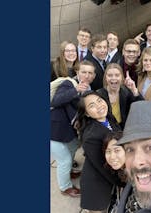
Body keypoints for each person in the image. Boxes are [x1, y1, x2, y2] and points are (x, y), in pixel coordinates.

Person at [51, 62, 95, 198]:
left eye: (90, 73)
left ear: (94, 76)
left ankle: (68, 171)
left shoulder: (89, 89)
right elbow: (56, 101)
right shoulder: (69, 84)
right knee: (64, 160)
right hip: (54, 130)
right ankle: (65, 187)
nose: (87, 76)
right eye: (84, 72)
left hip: (68, 131)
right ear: (77, 72)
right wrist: (76, 90)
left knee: (72, 148)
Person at [76, 91, 122, 213]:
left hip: (108, 175)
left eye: (99, 100)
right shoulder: (91, 137)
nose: (99, 106)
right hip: (96, 183)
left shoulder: (109, 118)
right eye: (92, 105)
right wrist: (121, 182)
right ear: (87, 113)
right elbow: (103, 166)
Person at [97, 63, 144, 129]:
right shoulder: (99, 94)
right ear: (105, 78)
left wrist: (134, 90)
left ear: (122, 77)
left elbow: (141, 107)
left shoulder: (126, 92)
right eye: (110, 75)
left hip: (124, 129)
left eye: (117, 75)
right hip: (106, 130)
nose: (113, 78)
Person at [102, 131, 127, 213]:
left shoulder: (136, 176)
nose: (112, 157)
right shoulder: (118, 170)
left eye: (117, 150)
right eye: (108, 151)